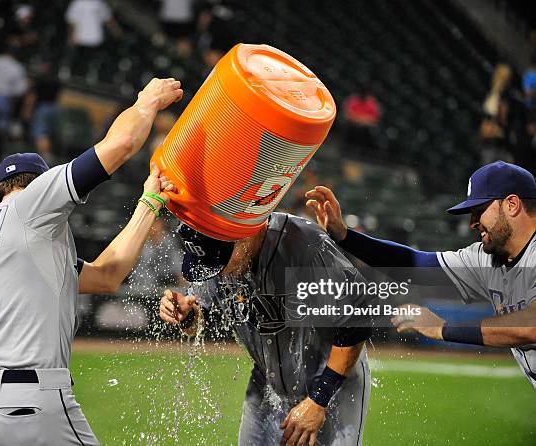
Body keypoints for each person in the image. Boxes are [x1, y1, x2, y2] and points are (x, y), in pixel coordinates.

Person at [0, 77, 183, 445]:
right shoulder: (31, 206)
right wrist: (146, 100)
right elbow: (122, 144)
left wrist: (148, 205)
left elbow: (106, 277)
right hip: (27, 402)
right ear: (42, 186)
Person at [305, 160, 536, 388]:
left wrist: (442, 328)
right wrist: (345, 236)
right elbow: (416, 264)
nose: (473, 223)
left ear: (512, 204)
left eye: (479, 210)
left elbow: (530, 325)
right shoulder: (487, 258)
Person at [159, 213, 372, 446]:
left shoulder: (304, 243)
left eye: (217, 264)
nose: (216, 273)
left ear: (244, 236)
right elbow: (199, 322)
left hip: (332, 380)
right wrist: (186, 315)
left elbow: (357, 316)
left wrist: (319, 399)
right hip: (267, 380)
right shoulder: (215, 248)